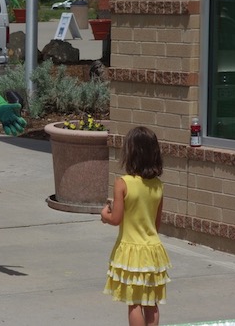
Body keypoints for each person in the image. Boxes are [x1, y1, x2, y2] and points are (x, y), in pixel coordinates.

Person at [101, 126, 172, 326]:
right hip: (153, 251)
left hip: (131, 251)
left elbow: (115, 218)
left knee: (134, 303)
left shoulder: (122, 183)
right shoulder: (158, 186)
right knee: (151, 303)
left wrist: (104, 214)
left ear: (130, 153)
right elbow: (156, 224)